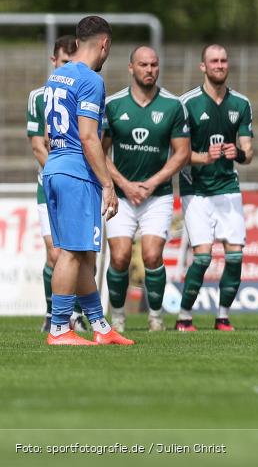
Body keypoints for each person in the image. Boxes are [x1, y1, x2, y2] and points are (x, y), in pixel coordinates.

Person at [42, 15, 133, 346]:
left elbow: (51, 133)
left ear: (79, 41)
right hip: (76, 173)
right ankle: (59, 328)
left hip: (54, 167)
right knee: (70, 252)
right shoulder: (91, 80)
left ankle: (100, 326)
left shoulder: (57, 76)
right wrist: (108, 184)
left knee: (81, 253)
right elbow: (88, 136)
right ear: (105, 44)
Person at [102, 46, 191, 333]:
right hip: (121, 195)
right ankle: (117, 317)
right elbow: (100, 152)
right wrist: (125, 184)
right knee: (119, 257)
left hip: (158, 195)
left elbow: (182, 153)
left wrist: (152, 183)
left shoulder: (173, 105)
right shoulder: (113, 105)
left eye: (154, 64)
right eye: (143, 65)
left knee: (152, 255)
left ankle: (155, 317)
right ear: (131, 68)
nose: (149, 70)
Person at [176, 44, 253, 331]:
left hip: (227, 187)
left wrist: (239, 153)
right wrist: (204, 157)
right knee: (203, 257)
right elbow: (179, 153)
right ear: (203, 66)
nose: (219, 65)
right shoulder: (186, 104)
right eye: (214, 61)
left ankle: (222, 316)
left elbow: (248, 151)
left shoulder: (241, 104)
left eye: (223, 60)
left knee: (235, 255)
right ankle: (184, 316)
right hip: (196, 189)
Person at [27, 35, 89, 333]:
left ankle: (75, 314)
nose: (68, 67)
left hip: (79, 182)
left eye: (72, 62)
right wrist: (59, 169)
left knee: (79, 251)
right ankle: (54, 313)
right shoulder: (39, 96)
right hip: (50, 183)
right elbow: (38, 145)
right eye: (64, 62)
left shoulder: (84, 90)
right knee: (55, 251)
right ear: (54, 61)